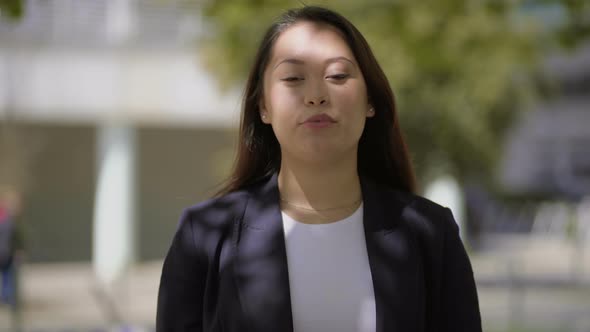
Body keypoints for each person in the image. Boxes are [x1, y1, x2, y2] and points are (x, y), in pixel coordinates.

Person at [156, 5, 481, 332]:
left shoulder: (431, 233)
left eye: (338, 75)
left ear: (370, 100)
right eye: (294, 78)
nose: (315, 95)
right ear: (263, 107)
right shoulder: (205, 234)